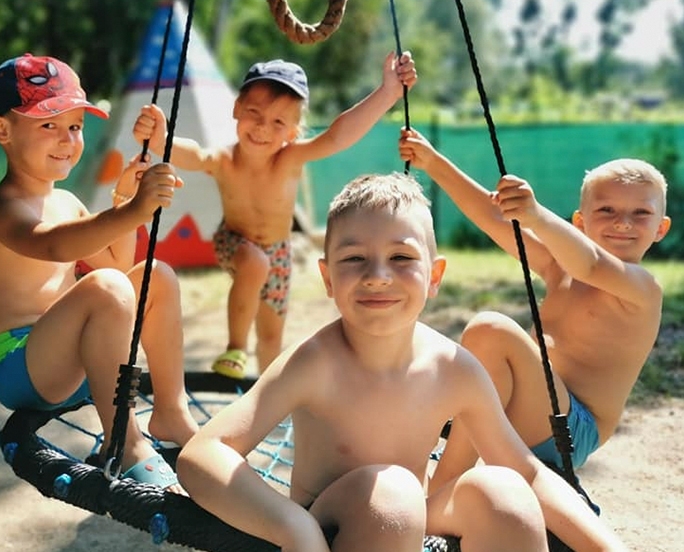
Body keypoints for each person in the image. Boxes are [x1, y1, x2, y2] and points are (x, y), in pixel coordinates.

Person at [176, 173, 627, 552]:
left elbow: (527, 470)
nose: (377, 276)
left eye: (401, 257)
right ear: (328, 279)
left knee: (504, 491)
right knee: (393, 493)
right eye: (354, 259)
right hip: (333, 526)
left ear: (434, 277)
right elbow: (202, 454)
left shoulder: (453, 368)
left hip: (414, 516)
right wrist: (292, 526)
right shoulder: (315, 363)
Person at [397, 128, 671, 493]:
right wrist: (432, 162)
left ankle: (443, 487)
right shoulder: (561, 268)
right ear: (579, 222)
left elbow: (589, 265)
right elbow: (495, 220)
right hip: (527, 406)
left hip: (571, 431)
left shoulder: (643, 290)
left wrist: (537, 215)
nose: (623, 222)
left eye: (641, 213)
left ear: (660, 229)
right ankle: (420, 458)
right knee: (429, 347)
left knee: (490, 331)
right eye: (607, 210)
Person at [0, 53, 199, 492]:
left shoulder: (69, 200)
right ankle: (127, 442)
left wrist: (123, 201)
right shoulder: (2, 210)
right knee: (107, 288)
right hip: (20, 366)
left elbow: (115, 264)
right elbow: (54, 244)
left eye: (74, 126)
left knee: (155, 276)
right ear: (2, 130)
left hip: (77, 360)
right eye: (48, 125)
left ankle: (171, 411)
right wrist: (134, 208)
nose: (67, 139)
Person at [133, 52, 417, 379]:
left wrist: (389, 93)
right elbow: (195, 155)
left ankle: (267, 390)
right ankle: (235, 349)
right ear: (237, 109)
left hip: (279, 253)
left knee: (271, 336)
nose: (262, 128)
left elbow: (338, 136)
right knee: (254, 263)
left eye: (278, 122)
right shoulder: (224, 160)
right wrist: (161, 141)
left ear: (294, 132)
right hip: (234, 243)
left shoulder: (290, 159)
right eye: (254, 113)